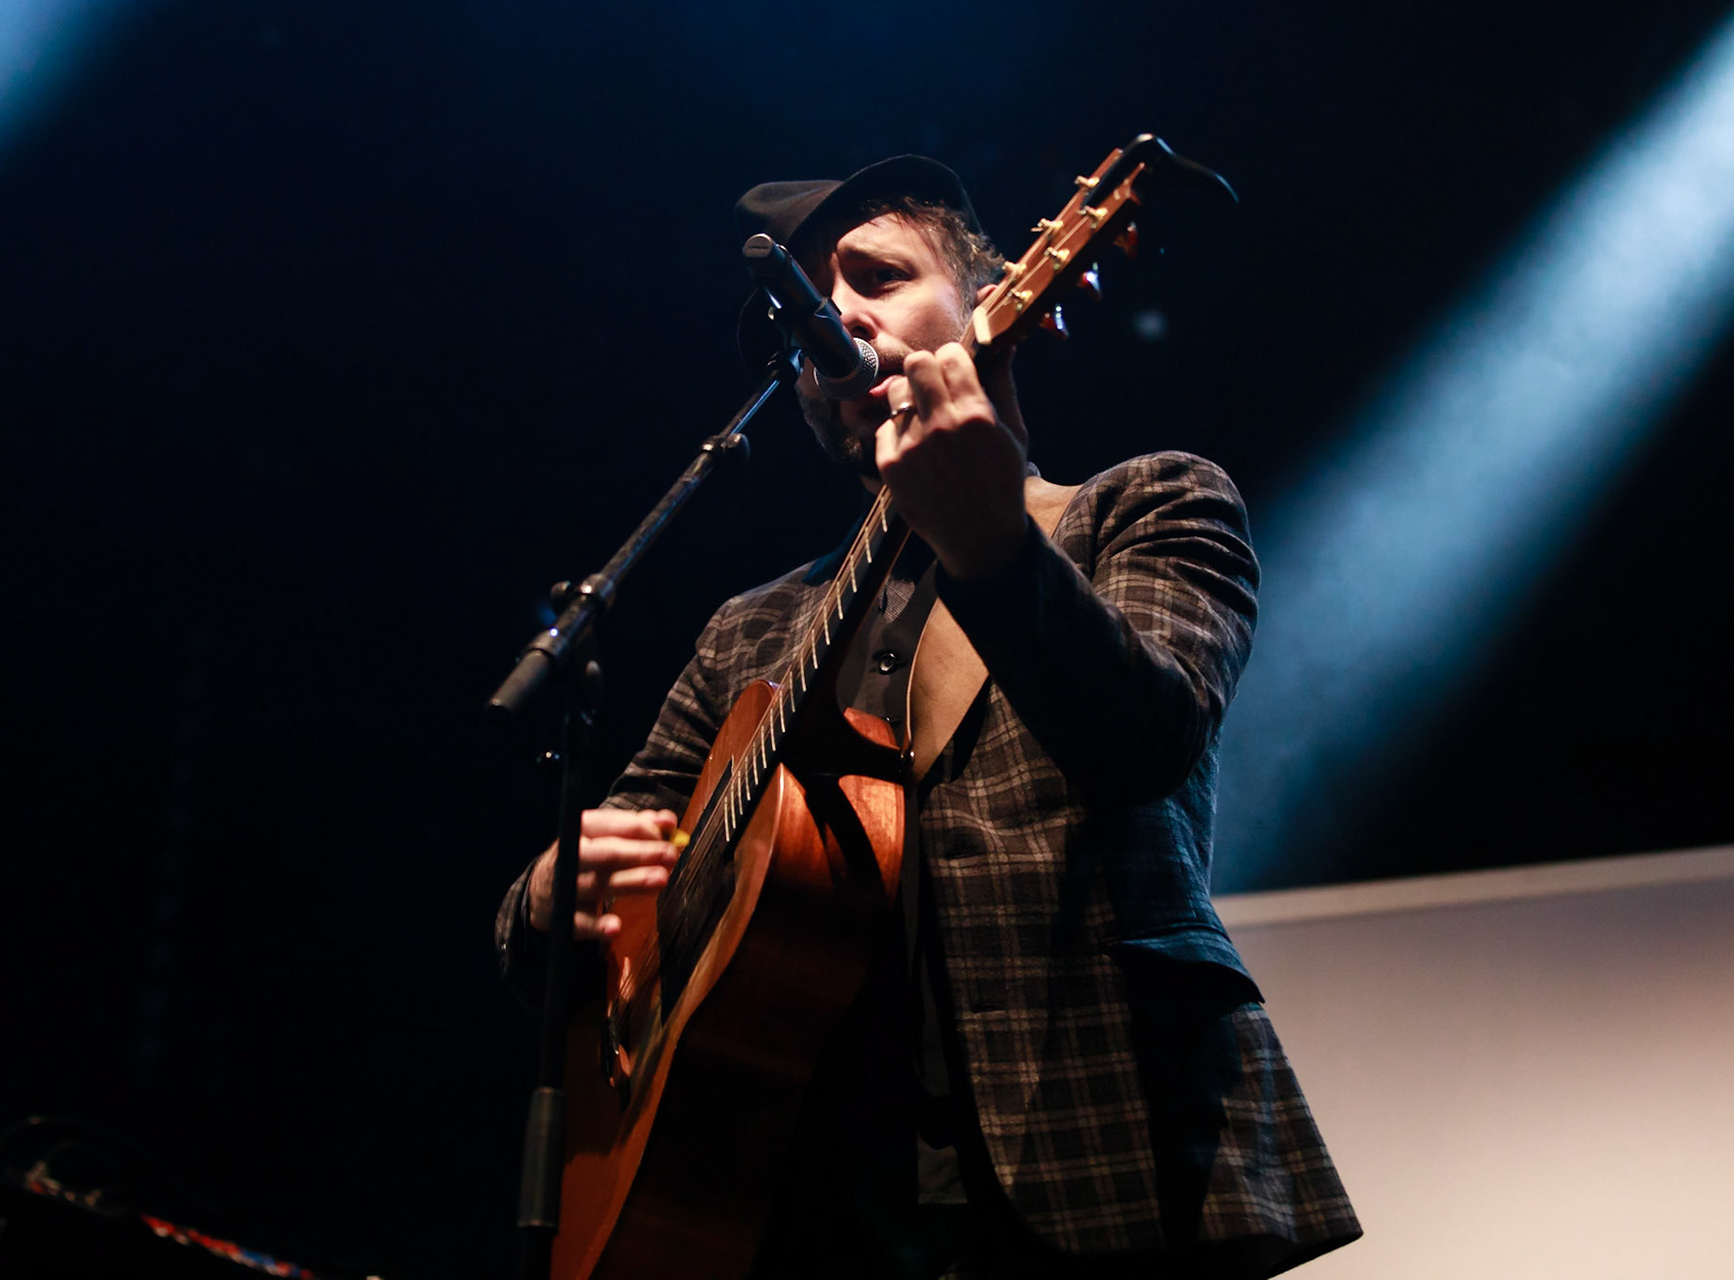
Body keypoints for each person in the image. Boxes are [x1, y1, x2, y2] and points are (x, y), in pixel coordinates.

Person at [496, 156, 1360, 1278]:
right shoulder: (749, 634)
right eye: (806, 306)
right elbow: (609, 880)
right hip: (796, 1211)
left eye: (879, 276)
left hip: (1103, 1162)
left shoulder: (1145, 505)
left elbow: (1147, 740)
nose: (836, 316)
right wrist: (547, 902)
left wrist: (993, 549)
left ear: (992, 297)